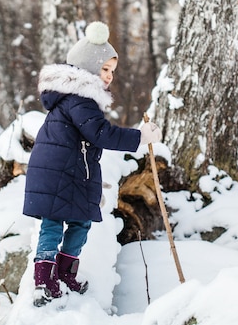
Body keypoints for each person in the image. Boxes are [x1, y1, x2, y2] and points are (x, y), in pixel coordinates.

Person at [23, 21, 162, 307]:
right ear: (88, 68)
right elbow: (101, 133)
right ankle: (44, 279)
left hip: (70, 171)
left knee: (80, 221)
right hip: (59, 172)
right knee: (52, 223)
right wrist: (140, 137)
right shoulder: (80, 99)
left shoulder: (77, 99)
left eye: (112, 71)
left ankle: (65, 272)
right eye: (105, 69)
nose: (110, 76)